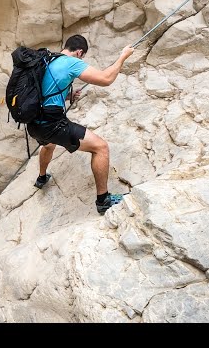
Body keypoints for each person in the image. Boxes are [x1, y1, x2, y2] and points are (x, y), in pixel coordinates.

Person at [26, 34, 135, 215]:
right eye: (81, 56)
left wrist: (68, 96)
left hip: (34, 125)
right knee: (100, 147)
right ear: (79, 52)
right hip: (52, 124)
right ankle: (103, 200)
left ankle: (41, 178)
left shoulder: (46, 61)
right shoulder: (71, 63)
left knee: (48, 145)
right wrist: (123, 56)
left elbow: (43, 91)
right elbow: (106, 79)